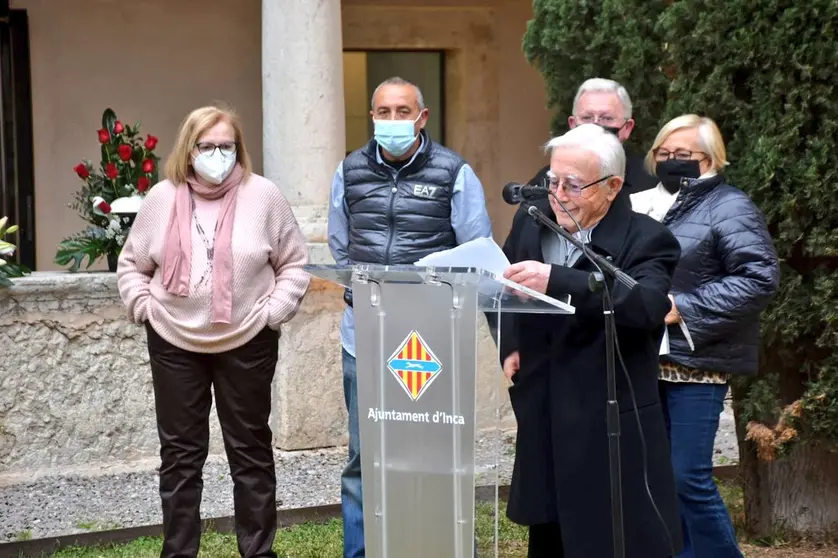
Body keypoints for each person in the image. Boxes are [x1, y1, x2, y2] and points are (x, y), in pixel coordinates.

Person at [117, 105, 310, 558]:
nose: (218, 154)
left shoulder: (264, 196)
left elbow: (294, 263)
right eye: (207, 146)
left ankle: (258, 552)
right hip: (173, 341)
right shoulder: (162, 199)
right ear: (189, 151)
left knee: (250, 452)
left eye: (226, 146)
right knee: (181, 457)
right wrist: (143, 305)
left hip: (247, 339)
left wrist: (275, 310)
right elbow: (132, 264)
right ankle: (179, 552)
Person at [500, 123, 684, 557]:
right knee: (550, 534)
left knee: (608, 535)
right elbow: (503, 285)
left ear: (612, 187)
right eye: (552, 181)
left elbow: (646, 305)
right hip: (544, 406)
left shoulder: (647, 237)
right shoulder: (531, 224)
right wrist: (510, 343)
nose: (558, 194)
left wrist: (560, 280)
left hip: (607, 418)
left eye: (573, 184)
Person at [327, 76, 492, 558]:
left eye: (403, 111)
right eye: (383, 112)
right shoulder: (349, 171)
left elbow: (475, 250)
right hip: (367, 336)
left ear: (422, 118)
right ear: (372, 117)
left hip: (434, 339)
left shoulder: (453, 172)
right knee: (365, 457)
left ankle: (444, 546)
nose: (392, 121)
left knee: (436, 450)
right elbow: (340, 247)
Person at [631, 114, 779, 557]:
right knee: (655, 477)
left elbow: (759, 276)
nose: (671, 161)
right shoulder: (639, 204)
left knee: (686, 476)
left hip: (697, 362)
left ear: (711, 159)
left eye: (683, 155)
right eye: (663, 153)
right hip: (641, 357)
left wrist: (685, 308)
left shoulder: (730, 205)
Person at [527, 78, 658, 195]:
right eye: (586, 117)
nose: (595, 125)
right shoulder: (545, 182)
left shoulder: (651, 183)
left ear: (627, 128)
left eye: (606, 118)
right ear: (572, 125)